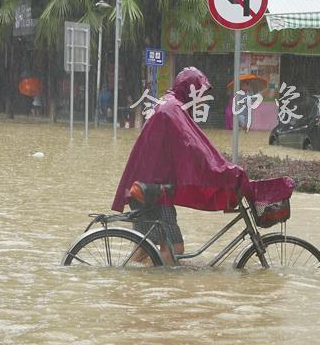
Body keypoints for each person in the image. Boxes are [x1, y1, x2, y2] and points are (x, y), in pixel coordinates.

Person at [112, 67, 269, 265]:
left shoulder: (169, 104)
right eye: (200, 93)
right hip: (154, 191)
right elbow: (195, 149)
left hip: (146, 187)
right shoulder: (173, 109)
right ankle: (161, 292)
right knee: (174, 248)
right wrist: (226, 170)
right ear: (189, 90)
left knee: (146, 247)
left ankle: (129, 281)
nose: (202, 100)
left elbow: (190, 148)